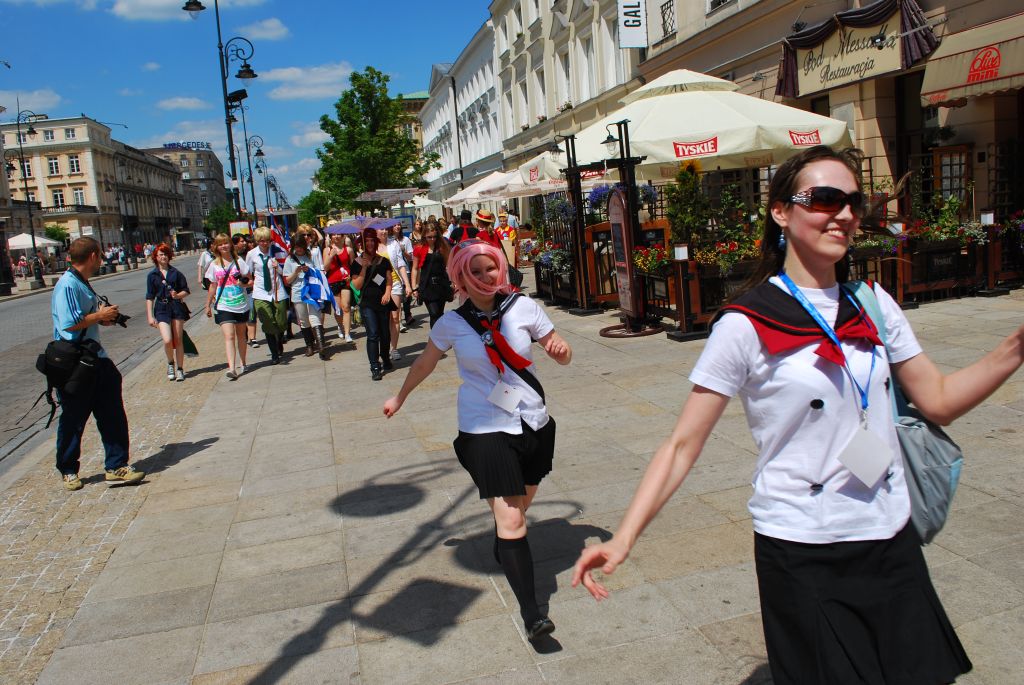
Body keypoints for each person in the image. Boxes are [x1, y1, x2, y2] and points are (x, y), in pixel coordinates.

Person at [572, 146, 1024, 685]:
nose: (844, 214)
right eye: (825, 199)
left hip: (889, 535)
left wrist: (1015, 348)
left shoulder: (874, 303)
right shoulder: (744, 323)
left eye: (853, 202)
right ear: (781, 211)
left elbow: (940, 400)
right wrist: (623, 538)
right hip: (802, 547)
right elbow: (682, 444)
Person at [383, 240, 572, 642]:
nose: (486, 277)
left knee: (519, 509)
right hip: (484, 426)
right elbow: (424, 362)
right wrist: (399, 396)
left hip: (532, 421)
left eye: (491, 269)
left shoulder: (522, 308)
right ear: (461, 278)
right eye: (476, 271)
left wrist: (560, 351)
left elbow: (560, 351)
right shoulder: (452, 324)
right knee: (513, 518)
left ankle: (505, 544)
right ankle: (533, 614)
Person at [51, 237, 145, 491]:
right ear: (93, 256)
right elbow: (69, 325)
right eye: (100, 254)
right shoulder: (68, 284)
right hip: (76, 363)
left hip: (96, 358)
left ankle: (116, 467)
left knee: (112, 414)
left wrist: (102, 319)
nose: (102, 258)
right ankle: (68, 469)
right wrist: (99, 315)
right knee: (73, 418)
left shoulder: (81, 282)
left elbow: (83, 319)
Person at [204, 234, 250, 378]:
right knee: (229, 336)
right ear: (216, 247)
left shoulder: (239, 262)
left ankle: (243, 362)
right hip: (224, 305)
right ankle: (232, 368)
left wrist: (242, 283)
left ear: (231, 245)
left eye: (226, 243)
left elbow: (250, 281)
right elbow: (213, 286)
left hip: (241, 303)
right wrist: (207, 305)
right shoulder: (214, 265)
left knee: (241, 335)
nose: (224, 246)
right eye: (220, 244)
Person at [350, 227, 393, 381]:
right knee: (373, 334)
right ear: (362, 243)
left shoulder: (383, 261)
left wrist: (388, 292)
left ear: (376, 242)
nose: (369, 243)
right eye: (366, 240)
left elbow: (389, 279)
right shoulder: (357, 262)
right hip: (367, 303)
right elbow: (356, 286)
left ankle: (385, 357)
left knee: (385, 333)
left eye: (371, 240)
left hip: (383, 301)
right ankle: (375, 366)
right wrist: (364, 267)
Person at [145, 243, 190, 382]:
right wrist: (150, 315)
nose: (163, 257)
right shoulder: (152, 275)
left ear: (169, 256)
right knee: (167, 340)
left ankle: (180, 369)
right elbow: (149, 296)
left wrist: (178, 295)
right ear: (156, 257)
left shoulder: (176, 273)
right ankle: (170, 363)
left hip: (176, 307)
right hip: (161, 308)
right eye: (160, 254)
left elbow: (186, 290)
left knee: (178, 340)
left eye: (165, 254)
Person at [283, 233, 331, 360]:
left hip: (311, 291)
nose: (299, 249)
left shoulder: (310, 255)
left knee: (315, 317)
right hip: (298, 293)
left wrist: (308, 271)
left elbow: (318, 271)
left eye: (301, 247)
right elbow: (287, 281)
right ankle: (309, 345)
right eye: (296, 247)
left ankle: (321, 346)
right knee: (304, 320)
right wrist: (296, 272)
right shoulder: (290, 260)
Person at [246, 227, 289, 364]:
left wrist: (278, 267)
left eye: (267, 241)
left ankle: (279, 338)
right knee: (268, 322)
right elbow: (248, 273)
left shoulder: (277, 251)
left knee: (282, 322)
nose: (265, 243)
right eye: (261, 241)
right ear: (257, 241)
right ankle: (274, 354)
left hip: (277, 291)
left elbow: (285, 272)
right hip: (260, 293)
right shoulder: (252, 254)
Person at [411, 221, 451, 328]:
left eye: (434, 237)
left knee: (439, 314)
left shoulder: (442, 247)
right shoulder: (418, 248)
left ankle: (440, 339)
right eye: (429, 237)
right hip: (427, 285)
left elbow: (448, 266)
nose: (432, 239)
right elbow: (414, 268)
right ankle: (435, 339)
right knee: (434, 313)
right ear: (424, 235)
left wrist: (453, 282)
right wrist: (414, 287)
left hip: (441, 284)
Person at [384, 225, 412, 358]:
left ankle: (393, 348)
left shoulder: (393, 243)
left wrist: (407, 284)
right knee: (384, 318)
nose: (383, 231)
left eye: (385, 229)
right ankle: (383, 346)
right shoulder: (371, 245)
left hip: (395, 283)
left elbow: (401, 264)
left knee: (395, 317)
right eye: (380, 229)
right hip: (379, 286)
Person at [324, 232, 355, 343]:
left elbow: (353, 266)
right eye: (333, 235)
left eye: (339, 235)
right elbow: (325, 268)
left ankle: (347, 333)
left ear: (343, 236)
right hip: (332, 282)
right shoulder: (327, 250)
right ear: (331, 236)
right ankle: (340, 327)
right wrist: (331, 255)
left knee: (346, 307)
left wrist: (351, 276)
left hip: (345, 281)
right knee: (338, 310)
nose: (336, 236)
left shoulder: (349, 250)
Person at [232, 234, 260, 350]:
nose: (244, 243)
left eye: (244, 241)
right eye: (241, 241)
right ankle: (244, 335)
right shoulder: (232, 257)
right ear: (235, 244)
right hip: (237, 291)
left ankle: (252, 338)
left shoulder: (249, 254)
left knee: (252, 313)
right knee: (242, 316)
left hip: (249, 288)